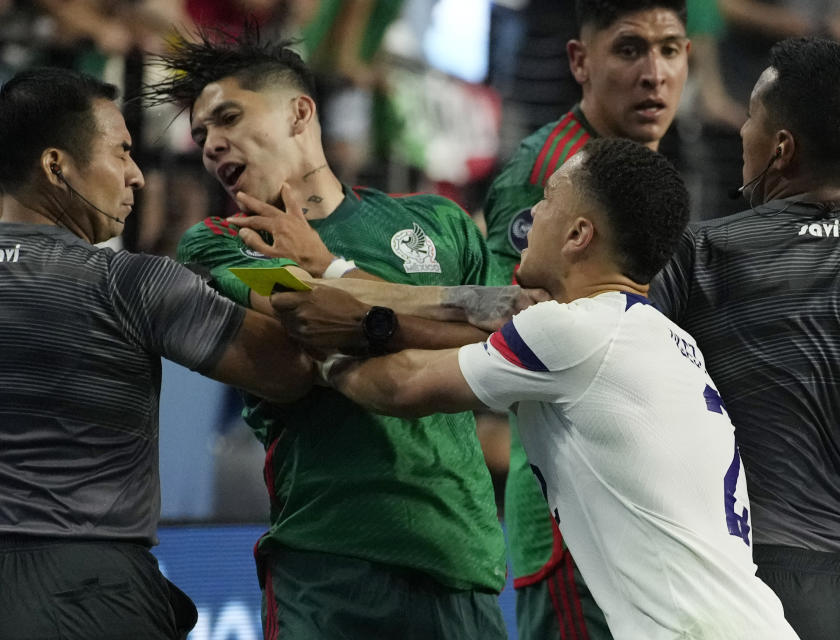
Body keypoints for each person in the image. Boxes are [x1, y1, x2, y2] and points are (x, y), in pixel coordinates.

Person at [0, 67, 313, 639]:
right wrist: (285, 270)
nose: (137, 176)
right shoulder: (131, 284)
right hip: (93, 594)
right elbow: (294, 368)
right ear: (57, 166)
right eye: (122, 152)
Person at [314, 137, 799, 640]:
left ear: (578, 234)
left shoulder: (575, 334)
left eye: (545, 200)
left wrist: (315, 354)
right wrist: (336, 275)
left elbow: (403, 384)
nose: (530, 218)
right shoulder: (658, 335)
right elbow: (478, 321)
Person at [142, 28, 509, 639]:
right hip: (326, 566)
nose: (211, 146)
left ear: (299, 113)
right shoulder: (222, 242)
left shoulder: (437, 222)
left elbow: (514, 330)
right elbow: (315, 315)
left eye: (229, 117)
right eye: (202, 135)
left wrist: (339, 274)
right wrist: (464, 322)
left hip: (460, 560)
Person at [480, 1, 689, 635]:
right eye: (629, 50)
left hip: (641, 510)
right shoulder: (555, 174)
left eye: (670, 49)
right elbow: (511, 325)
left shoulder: (640, 170)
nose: (653, 73)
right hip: (576, 519)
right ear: (580, 60)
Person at [649, 37, 840, 640]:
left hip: (760, 579)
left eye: (752, 117)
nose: (741, 132)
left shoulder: (703, 252)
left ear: (781, 149)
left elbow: (597, 352)